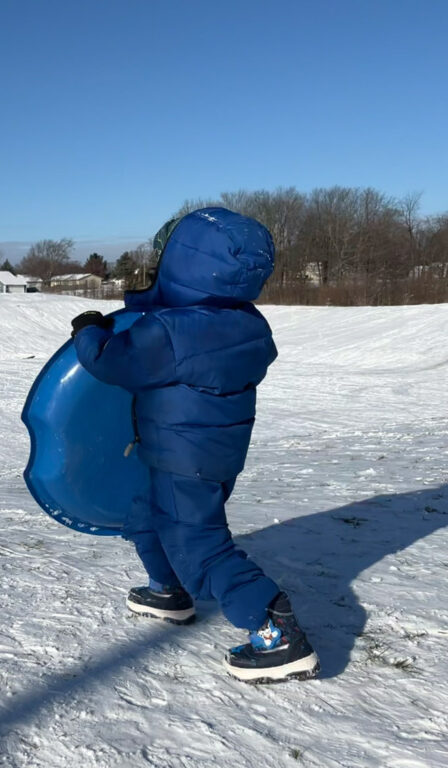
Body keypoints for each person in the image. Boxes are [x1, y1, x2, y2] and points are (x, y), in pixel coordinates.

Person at [70, 207, 319, 683]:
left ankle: (276, 631)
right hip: (208, 454)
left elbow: (112, 363)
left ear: (185, 263)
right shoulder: (246, 324)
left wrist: (88, 330)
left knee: (200, 545)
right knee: (146, 518)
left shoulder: (170, 331)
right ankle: (168, 590)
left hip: (182, 456)